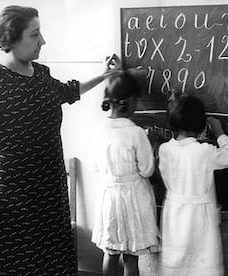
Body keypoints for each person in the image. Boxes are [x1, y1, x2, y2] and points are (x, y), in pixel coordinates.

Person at [0, 5, 120, 275]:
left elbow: (68, 91)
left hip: (49, 194)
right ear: (10, 38)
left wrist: (105, 75)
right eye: (35, 34)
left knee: (51, 265)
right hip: (12, 203)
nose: (43, 41)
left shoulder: (41, 74)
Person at [158, 92, 228, 276]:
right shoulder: (204, 152)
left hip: (174, 213)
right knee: (202, 265)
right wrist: (219, 133)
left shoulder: (165, 149)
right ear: (201, 124)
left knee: (177, 262)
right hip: (198, 216)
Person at [89, 70, 160, 276]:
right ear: (129, 102)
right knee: (131, 257)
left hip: (109, 198)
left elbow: (94, 165)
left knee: (110, 253)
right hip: (133, 200)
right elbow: (147, 170)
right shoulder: (136, 133)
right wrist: (153, 145)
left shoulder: (97, 130)